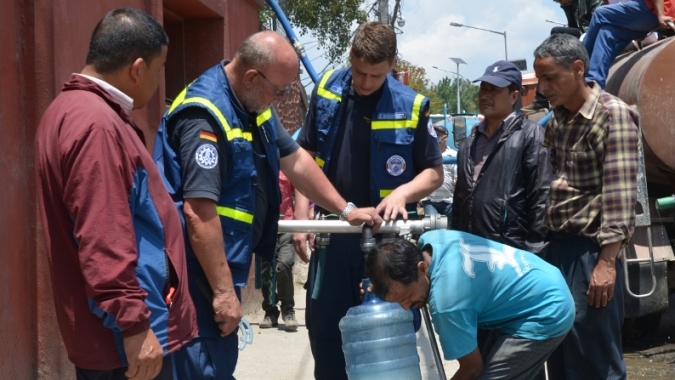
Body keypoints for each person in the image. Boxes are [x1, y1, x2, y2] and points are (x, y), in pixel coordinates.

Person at [153, 30, 381, 379]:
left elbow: (296, 161)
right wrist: (224, 292)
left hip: (222, 267)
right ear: (250, 76)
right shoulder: (205, 116)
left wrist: (345, 210)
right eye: (279, 90)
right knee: (202, 368)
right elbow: (198, 213)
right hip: (196, 277)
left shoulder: (251, 104)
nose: (282, 97)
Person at [34, 8, 197, 380]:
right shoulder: (96, 125)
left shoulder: (72, 111)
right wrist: (135, 326)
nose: (159, 81)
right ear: (137, 69)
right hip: (127, 342)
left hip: (120, 333)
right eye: (159, 70)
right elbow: (103, 237)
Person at [294, 21, 444, 379]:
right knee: (326, 335)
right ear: (351, 55)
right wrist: (303, 220)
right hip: (333, 234)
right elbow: (305, 157)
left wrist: (402, 193)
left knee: (387, 338)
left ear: (392, 64)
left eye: (374, 75)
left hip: (387, 242)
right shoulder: (327, 91)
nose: (364, 82)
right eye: (359, 71)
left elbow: (434, 173)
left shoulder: (411, 106)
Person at [534, 33, 639, 379]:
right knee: (562, 351)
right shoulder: (559, 118)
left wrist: (606, 263)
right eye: (540, 78)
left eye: (551, 78)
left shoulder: (612, 115)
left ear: (578, 69)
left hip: (590, 252)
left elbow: (620, 195)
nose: (544, 87)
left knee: (594, 356)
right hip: (557, 250)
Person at [365, 231, 575, 380]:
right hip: (541, 280)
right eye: (398, 300)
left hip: (546, 310)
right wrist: (382, 288)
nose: (406, 307)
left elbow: (471, 369)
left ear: (421, 269)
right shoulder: (433, 241)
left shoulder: (447, 303)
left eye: (408, 296)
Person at [452, 60, 552, 256]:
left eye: (494, 89)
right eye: (483, 89)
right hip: (471, 254)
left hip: (512, 255)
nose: (485, 95)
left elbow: (542, 198)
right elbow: (458, 204)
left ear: (514, 96)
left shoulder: (530, 135)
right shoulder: (468, 144)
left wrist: (533, 255)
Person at [522, 0, 604, 114]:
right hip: (581, 35)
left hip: (591, 33)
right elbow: (572, 28)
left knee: (556, 32)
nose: (558, 2)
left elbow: (598, 22)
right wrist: (567, 7)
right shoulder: (570, 5)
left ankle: (541, 99)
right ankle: (541, 99)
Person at [583, 0, 675, 88]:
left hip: (656, 10)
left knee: (599, 14)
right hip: (645, 18)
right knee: (606, 32)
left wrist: (661, 15)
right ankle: (593, 82)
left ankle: (582, 63)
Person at [259, 171, 301, 331]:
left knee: (284, 264)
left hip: (287, 226)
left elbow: (300, 191)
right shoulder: (259, 167)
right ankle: (270, 312)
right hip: (265, 228)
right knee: (265, 271)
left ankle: (288, 309)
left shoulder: (287, 169)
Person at [420, 124, 456, 221]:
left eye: (437, 134)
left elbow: (457, 179)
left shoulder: (453, 155)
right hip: (430, 200)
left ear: (445, 138)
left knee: (451, 230)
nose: (435, 137)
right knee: (432, 228)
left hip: (449, 201)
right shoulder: (425, 155)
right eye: (433, 134)